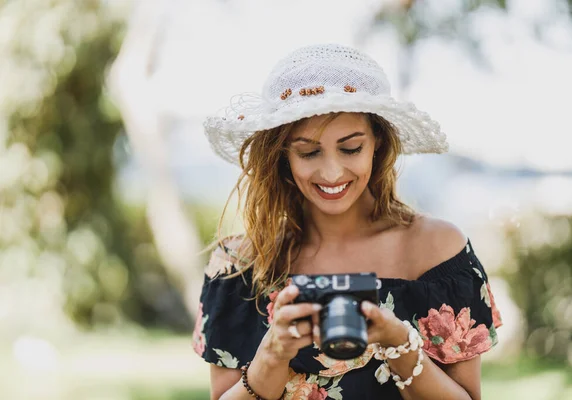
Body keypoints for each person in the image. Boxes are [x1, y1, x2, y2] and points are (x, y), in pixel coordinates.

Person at [192, 44, 503, 400]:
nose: (331, 172)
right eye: (308, 152)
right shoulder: (239, 263)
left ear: (378, 144)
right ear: (283, 158)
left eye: (351, 148)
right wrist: (273, 354)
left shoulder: (437, 250)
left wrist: (399, 343)